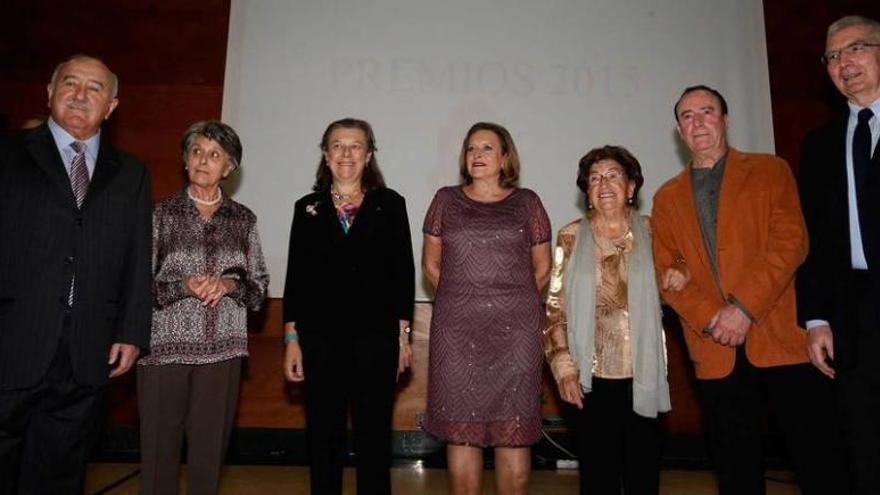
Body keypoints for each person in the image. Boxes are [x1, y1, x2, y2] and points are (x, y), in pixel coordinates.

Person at [651, 85, 846, 495]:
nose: (697, 122)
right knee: (735, 468)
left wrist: (742, 308)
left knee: (817, 457)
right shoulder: (666, 197)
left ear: (725, 119)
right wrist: (712, 317)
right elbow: (666, 272)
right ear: (678, 131)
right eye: (687, 116)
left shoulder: (771, 170)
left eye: (707, 111)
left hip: (779, 338)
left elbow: (791, 242)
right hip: (714, 345)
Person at [0, 54, 152, 494]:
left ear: (112, 105)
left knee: (60, 473)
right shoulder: (8, 154)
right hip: (11, 339)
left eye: (95, 88)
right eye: (70, 83)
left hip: (87, 349)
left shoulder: (132, 174)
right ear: (49, 92)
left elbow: (137, 257)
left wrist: (131, 331)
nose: (81, 95)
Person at [282, 118, 415, 495]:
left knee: (374, 442)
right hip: (319, 341)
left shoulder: (390, 205)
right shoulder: (306, 207)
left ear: (369, 154)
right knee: (324, 441)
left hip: (376, 342)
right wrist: (292, 338)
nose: (346, 153)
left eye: (355, 146)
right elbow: (296, 279)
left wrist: (403, 338)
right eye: (337, 145)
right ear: (325, 155)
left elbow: (403, 275)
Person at [137, 120, 268, 494]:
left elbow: (258, 289)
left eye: (214, 155)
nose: (203, 161)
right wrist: (183, 286)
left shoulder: (243, 220)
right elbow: (136, 284)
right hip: (163, 352)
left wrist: (228, 284)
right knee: (159, 456)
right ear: (184, 159)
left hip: (223, 352)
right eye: (196, 152)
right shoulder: (159, 215)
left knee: (208, 458)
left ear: (228, 168)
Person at [544, 146, 682, 494]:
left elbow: (679, 277)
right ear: (587, 192)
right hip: (589, 379)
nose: (603, 184)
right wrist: (564, 369)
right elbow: (555, 309)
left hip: (643, 374)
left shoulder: (655, 233)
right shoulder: (570, 236)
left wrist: (682, 270)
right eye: (594, 178)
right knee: (598, 478)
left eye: (613, 175)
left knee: (643, 475)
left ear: (632, 186)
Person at [422, 122, 552, 495]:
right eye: (471, 148)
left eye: (487, 148)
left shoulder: (528, 202)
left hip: (516, 333)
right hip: (457, 330)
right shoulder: (445, 199)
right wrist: (465, 299)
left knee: (513, 430)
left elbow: (542, 269)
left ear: (504, 157)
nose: (477, 155)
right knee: (461, 429)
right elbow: (432, 267)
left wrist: (508, 303)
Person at [797, 15, 880, 494]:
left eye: (856, 48)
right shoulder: (818, 145)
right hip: (850, 315)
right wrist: (815, 319)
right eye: (833, 56)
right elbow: (813, 241)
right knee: (863, 446)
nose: (844, 63)